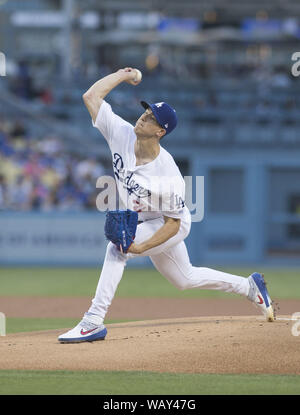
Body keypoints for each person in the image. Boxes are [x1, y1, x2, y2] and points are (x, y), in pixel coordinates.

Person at [58, 67, 274, 343]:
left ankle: (93, 321)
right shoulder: (121, 133)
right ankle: (248, 286)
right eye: (145, 112)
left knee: (118, 250)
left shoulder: (168, 175)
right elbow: (91, 96)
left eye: (151, 118)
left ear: (160, 131)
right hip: (144, 219)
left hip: (171, 223)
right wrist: (124, 75)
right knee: (184, 278)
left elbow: (173, 223)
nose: (143, 117)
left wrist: (141, 246)